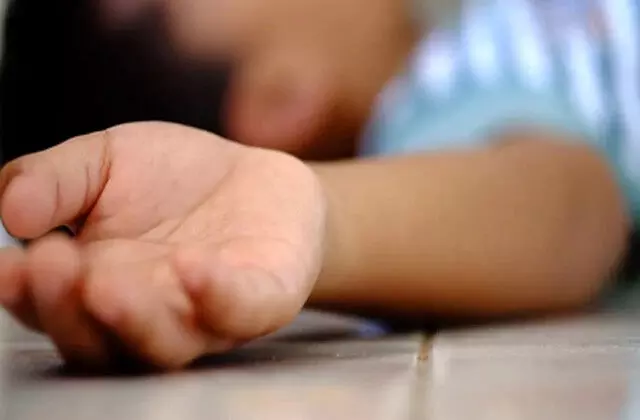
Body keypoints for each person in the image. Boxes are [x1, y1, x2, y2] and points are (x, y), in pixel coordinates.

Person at [0, 0, 631, 370]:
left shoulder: (463, 33)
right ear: (282, 97)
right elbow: (568, 210)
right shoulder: (437, 109)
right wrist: (323, 216)